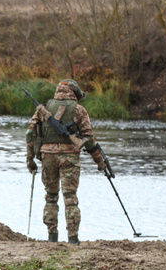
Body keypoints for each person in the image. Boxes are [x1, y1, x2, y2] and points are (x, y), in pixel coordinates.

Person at [25, 79, 106, 244]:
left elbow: (29, 134)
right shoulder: (79, 110)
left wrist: (30, 160)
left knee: (51, 196)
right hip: (69, 157)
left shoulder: (43, 108)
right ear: (75, 93)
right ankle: (73, 238)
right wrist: (100, 161)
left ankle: (52, 236)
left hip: (47, 157)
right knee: (70, 198)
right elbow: (89, 140)